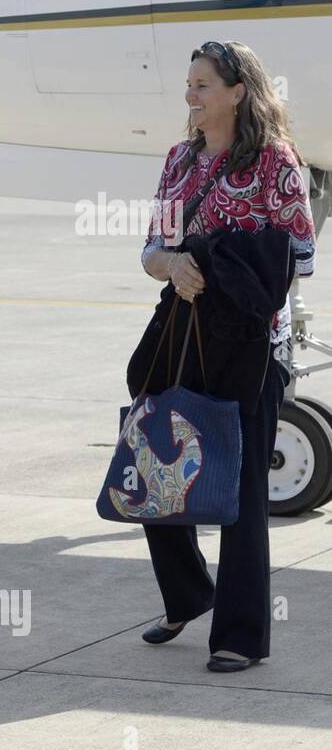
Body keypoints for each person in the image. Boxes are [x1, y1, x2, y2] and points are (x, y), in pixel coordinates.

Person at [137, 40, 316, 672]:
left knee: (241, 489)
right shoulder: (177, 160)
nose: (190, 95)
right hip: (182, 334)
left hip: (248, 347)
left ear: (237, 92)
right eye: (189, 84)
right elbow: (151, 249)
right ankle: (186, 593)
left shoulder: (275, 162)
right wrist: (174, 263)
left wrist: (228, 283)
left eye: (202, 84)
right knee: (157, 466)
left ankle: (240, 634)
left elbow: (299, 257)